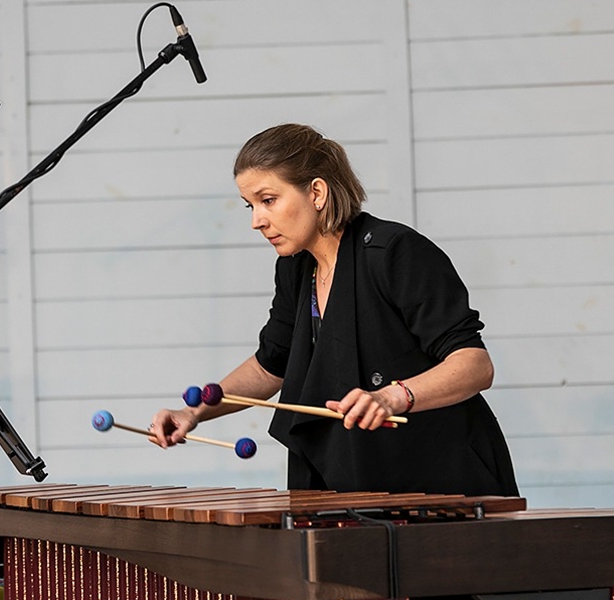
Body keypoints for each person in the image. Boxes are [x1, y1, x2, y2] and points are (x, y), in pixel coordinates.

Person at [151, 123, 518, 498]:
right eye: (251, 205)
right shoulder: (297, 267)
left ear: (317, 192)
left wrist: (391, 397)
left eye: (268, 200)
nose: (256, 221)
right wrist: (194, 413)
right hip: (354, 482)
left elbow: (474, 364)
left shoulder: (395, 252)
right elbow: (270, 364)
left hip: (441, 482)